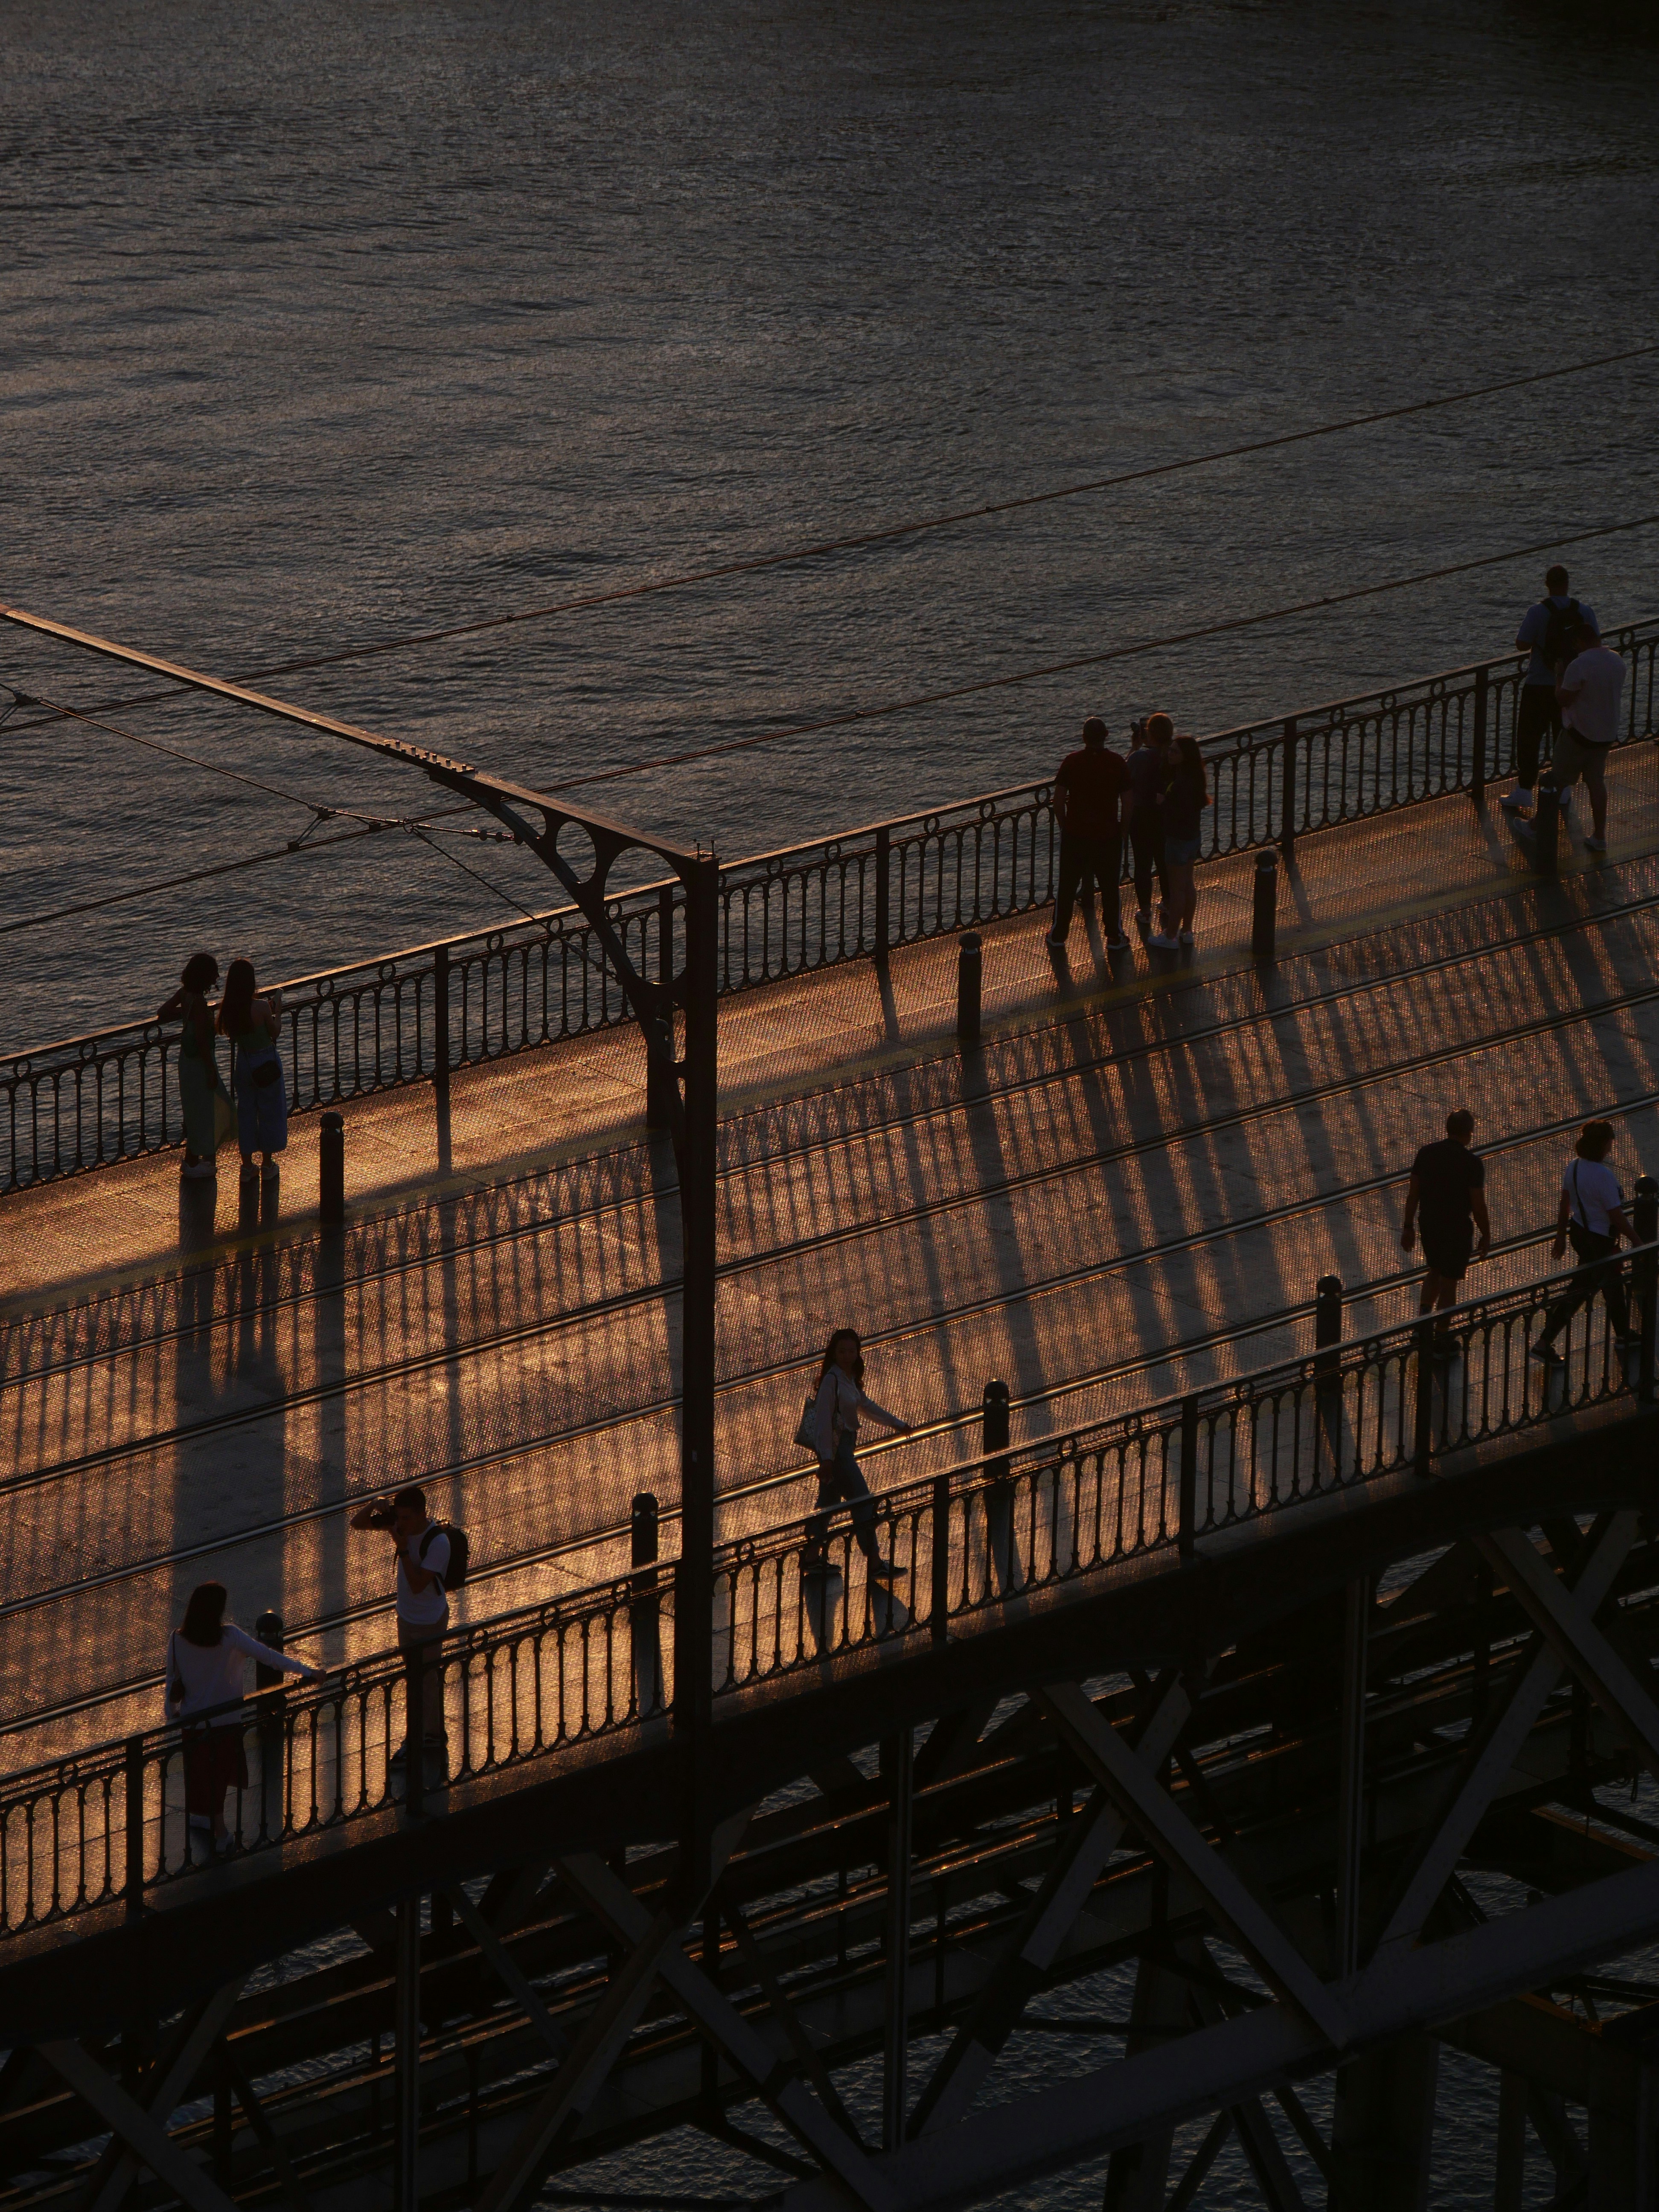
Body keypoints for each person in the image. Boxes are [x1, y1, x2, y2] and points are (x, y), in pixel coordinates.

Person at [166, 1581, 322, 1848]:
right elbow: (270, 1657)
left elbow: (172, 1683)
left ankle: (207, 1821)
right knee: (220, 1774)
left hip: (193, 1721)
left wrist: (174, 1715)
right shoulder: (230, 1638)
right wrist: (307, 1672)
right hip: (225, 1721)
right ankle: (221, 1835)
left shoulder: (177, 1639)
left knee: (202, 1774)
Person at [352, 1484, 453, 1765]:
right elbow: (357, 1524)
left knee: (425, 1680)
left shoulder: (438, 1542)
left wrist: (404, 1549)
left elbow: (420, 1584)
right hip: (406, 1617)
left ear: (422, 1514)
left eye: (407, 1518)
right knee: (417, 1679)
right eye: (399, 1516)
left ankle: (420, 1738)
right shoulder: (400, 1525)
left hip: (430, 1619)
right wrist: (375, 1503)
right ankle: (430, 1734)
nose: (401, 1523)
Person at [805, 1328, 913, 1579]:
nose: (847, 1356)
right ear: (834, 1353)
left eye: (852, 1351)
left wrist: (896, 1423)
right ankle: (875, 1563)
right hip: (838, 1454)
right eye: (842, 1351)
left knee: (828, 1504)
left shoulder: (848, 1377)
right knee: (862, 1503)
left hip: (842, 1449)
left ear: (858, 1353)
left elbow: (865, 1405)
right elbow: (823, 1422)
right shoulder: (832, 1380)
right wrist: (827, 1459)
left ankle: (810, 1558)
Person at [1531, 1121, 1638, 1366]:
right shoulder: (1603, 1176)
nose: (1613, 1145)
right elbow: (1616, 1216)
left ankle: (1623, 1334)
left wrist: (1560, 1236)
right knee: (1579, 1291)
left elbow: (1565, 1205)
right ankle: (1543, 1344)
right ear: (1603, 1144)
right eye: (1611, 1140)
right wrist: (1639, 1243)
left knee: (1610, 1284)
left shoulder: (1574, 1167)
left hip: (1580, 1234)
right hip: (1601, 1240)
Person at [1502, 566, 1596, 815]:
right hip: (1572, 685)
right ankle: (1564, 788)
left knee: (1530, 737)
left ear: (1547, 584)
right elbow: (1595, 641)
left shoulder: (1537, 611)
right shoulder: (1584, 611)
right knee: (1564, 737)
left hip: (1539, 685)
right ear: (1567, 583)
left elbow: (1521, 644)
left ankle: (1525, 790)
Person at [1400, 1109, 1491, 1335]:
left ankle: (1423, 1323)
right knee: (1449, 1282)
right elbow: (1478, 1205)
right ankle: (1441, 1337)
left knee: (1434, 1270)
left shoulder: (1426, 1153)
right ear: (1470, 1134)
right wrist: (1486, 1234)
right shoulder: (1472, 1164)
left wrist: (1408, 1226)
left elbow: (1413, 1194)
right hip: (1456, 1228)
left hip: (1428, 1223)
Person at [1047, 718, 1129, 951]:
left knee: (1067, 887)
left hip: (1076, 836)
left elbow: (1059, 801)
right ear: (1107, 735)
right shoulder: (1117, 763)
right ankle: (1114, 936)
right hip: (1107, 836)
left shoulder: (1072, 762)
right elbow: (1128, 801)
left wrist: (1066, 826)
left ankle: (1059, 934)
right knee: (1110, 888)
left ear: (1084, 738)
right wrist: (1122, 829)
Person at [1553, 620, 1626, 855]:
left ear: (1579, 642)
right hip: (1606, 734)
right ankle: (1599, 836)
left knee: (1556, 781)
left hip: (1580, 734)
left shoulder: (1579, 665)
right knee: (1596, 783)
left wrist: (1558, 677)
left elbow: (1563, 699)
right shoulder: (1617, 660)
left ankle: (1536, 827)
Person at [217, 958, 288, 1183]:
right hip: (266, 1063)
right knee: (269, 1111)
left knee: (246, 1114)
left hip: (244, 1064)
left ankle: (247, 1167)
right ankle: (267, 1164)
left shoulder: (229, 1009)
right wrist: (278, 1012)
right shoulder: (260, 1007)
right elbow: (274, 1032)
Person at [158, 952, 224, 1180]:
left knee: (195, 1109)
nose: (216, 977)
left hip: (186, 1060)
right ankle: (194, 1161)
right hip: (199, 1062)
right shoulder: (198, 1002)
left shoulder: (185, 995)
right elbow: (202, 1042)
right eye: (214, 973)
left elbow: (163, 1011)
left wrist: (185, 1013)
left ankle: (196, 1159)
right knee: (204, 1110)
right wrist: (210, 1069)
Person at [1147, 736, 1208, 949]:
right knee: (1188, 884)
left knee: (1177, 890)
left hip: (1177, 839)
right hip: (1193, 836)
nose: (1169, 754)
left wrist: (1163, 802)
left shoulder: (1182, 784)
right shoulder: (1195, 778)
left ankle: (1170, 936)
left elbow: (1176, 811)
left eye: (1174, 752)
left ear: (1185, 757)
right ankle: (1187, 931)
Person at [1126, 713, 1173, 929]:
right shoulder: (1174, 755)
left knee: (1143, 865)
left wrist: (1135, 747)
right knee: (1165, 861)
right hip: (1165, 816)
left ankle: (1145, 911)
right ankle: (1170, 903)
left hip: (1142, 817)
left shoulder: (1139, 758)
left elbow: (1124, 777)